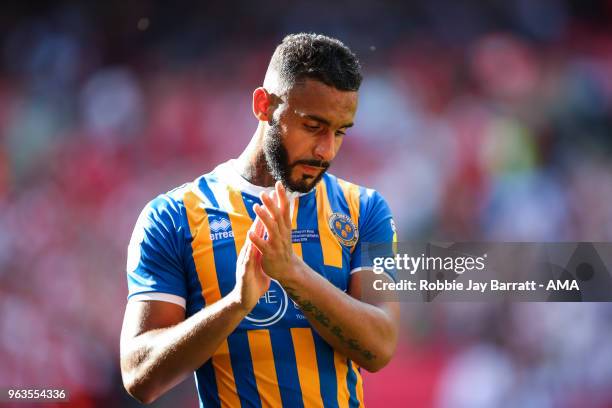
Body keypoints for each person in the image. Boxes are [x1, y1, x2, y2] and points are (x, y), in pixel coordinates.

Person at [120, 33, 400, 407]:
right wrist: (235, 303)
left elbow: (380, 346)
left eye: (340, 132)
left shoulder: (365, 209)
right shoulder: (173, 217)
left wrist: (292, 273)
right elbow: (139, 376)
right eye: (313, 127)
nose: (326, 149)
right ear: (263, 105)